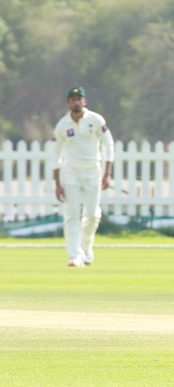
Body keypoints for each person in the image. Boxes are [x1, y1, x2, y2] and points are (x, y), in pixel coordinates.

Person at [53, 87, 114, 267]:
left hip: (92, 171)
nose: (76, 102)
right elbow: (55, 155)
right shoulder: (63, 125)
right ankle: (75, 255)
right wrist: (58, 183)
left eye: (79, 99)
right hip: (70, 172)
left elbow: (108, 144)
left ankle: (86, 247)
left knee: (93, 214)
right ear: (68, 103)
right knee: (72, 214)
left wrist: (107, 172)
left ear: (84, 102)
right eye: (73, 99)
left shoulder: (96, 120)